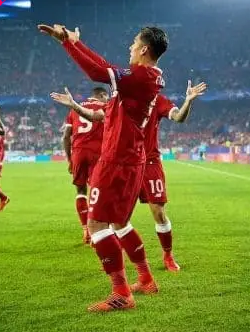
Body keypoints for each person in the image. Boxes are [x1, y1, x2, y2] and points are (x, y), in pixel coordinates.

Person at [40, 23, 166, 312]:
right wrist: (74, 42)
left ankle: (121, 293)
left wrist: (67, 44)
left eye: (134, 43)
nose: (130, 47)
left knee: (96, 224)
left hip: (116, 161)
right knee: (120, 223)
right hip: (130, 161)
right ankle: (146, 279)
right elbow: (105, 75)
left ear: (144, 49)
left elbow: (100, 71)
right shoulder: (147, 79)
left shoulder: (141, 76)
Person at [52, 80, 207, 272]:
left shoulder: (158, 101)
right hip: (125, 164)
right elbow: (95, 115)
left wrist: (188, 101)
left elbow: (178, 117)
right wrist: (74, 105)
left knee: (158, 212)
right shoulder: (119, 101)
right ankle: (132, 267)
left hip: (149, 162)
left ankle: (168, 255)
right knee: (117, 219)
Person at [62, 87, 108, 244]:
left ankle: (86, 230)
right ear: (101, 95)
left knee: (80, 191)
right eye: (106, 97)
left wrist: (70, 160)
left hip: (79, 153)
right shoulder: (104, 107)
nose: (107, 100)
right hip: (98, 153)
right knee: (97, 191)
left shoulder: (75, 108)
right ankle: (98, 229)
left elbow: (66, 136)